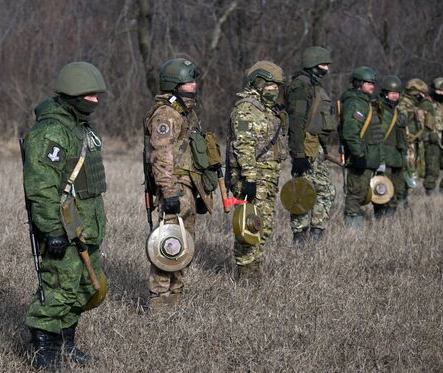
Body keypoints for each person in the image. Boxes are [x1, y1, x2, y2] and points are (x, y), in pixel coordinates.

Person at [22, 61, 108, 370]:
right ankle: (42, 349)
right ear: (73, 94)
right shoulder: (51, 132)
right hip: (63, 225)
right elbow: (41, 187)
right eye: (90, 95)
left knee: (84, 286)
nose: (95, 101)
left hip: (84, 225)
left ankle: (66, 345)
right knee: (60, 287)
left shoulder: (81, 127)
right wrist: (52, 230)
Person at [143, 57, 217, 309]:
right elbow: (160, 156)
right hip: (174, 188)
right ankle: (160, 301)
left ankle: (176, 296)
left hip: (189, 187)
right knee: (168, 243)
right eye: (188, 81)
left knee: (186, 245)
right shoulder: (166, 114)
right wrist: (168, 191)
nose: (194, 85)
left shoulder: (187, 113)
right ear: (175, 84)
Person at [226, 60, 287, 279]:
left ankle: (255, 267)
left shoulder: (268, 111)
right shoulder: (245, 109)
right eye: (271, 85)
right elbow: (243, 145)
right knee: (249, 226)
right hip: (251, 179)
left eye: (277, 86)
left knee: (265, 226)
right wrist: (249, 179)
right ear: (259, 82)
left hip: (268, 179)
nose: (275, 90)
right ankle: (246, 272)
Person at [285, 46, 337, 243]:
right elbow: (296, 123)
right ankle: (300, 238)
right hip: (304, 147)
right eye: (323, 65)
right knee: (301, 192)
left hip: (315, 147)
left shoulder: (314, 86)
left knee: (326, 190)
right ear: (312, 65)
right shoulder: (300, 87)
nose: (327, 69)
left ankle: (316, 234)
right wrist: (298, 155)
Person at [339, 66, 384, 229]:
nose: (372, 85)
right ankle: (352, 230)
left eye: (373, 82)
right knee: (355, 194)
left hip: (368, 157)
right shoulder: (354, 103)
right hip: (360, 157)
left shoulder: (365, 103)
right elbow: (350, 132)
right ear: (358, 83)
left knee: (362, 192)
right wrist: (358, 155)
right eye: (368, 82)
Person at [396, 78, 434, 207]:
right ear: (415, 93)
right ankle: (400, 203)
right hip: (404, 146)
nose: (423, 97)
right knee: (403, 176)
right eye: (421, 94)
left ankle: (403, 202)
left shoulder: (413, 105)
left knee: (408, 176)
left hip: (411, 146)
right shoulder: (403, 105)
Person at [373, 75, 407, 218]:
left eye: (397, 93)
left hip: (397, 157)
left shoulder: (399, 112)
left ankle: (390, 219)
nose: (395, 96)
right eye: (392, 93)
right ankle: (380, 217)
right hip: (383, 156)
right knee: (381, 190)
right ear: (385, 93)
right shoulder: (377, 109)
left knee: (397, 188)